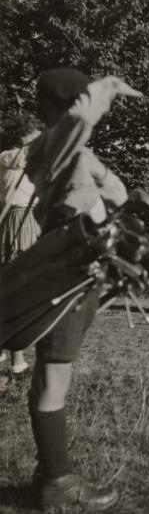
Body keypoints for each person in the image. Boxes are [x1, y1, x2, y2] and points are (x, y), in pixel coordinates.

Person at [21, 68, 141, 510]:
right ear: (62, 108)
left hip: (82, 265)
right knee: (54, 376)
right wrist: (102, 94)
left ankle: (49, 470)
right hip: (68, 266)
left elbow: (116, 193)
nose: (86, 109)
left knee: (53, 373)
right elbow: (74, 129)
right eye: (79, 100)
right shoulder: (53, 145)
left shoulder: (71, 150)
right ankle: (56, 482)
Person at [0, 118, 42, 379]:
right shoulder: (9, 157)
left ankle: (12, 354)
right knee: (19, 291)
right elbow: (19, 158)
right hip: (20, 222)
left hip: (29, 220)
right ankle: (17, 361)